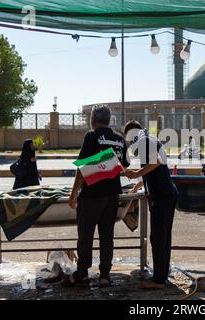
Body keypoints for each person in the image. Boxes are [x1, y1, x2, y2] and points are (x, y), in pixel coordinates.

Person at [67, 105, 130, 288]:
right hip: (112, 195)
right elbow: (124, 164)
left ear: (93, 118)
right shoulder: (119, 139)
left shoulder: (92, 136)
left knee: (85, 236)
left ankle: (82, 274)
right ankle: (104, 276)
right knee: (106, 236)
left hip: (92, 195)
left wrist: (73, 195)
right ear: (108, 119)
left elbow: (83, 169)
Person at [123, 120, 178, 290]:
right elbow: (156, 168)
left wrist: (136, 174)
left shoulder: (144, 141)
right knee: (164, 236)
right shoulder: (149, 138)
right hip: (167, 193)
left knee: (157, 237)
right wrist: (139, 184)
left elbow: (153, 163)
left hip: (162, 196)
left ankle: (158, 280)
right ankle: (162, 274)